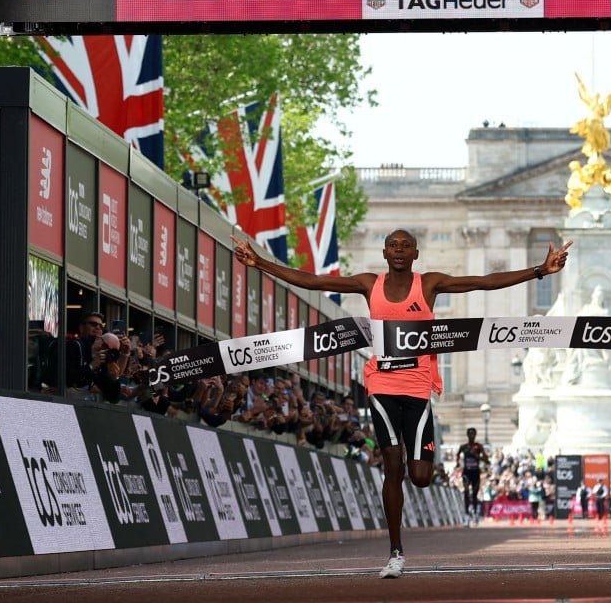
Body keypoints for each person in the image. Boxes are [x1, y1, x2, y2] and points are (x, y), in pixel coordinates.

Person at [233, 228, 571, 579]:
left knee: (420, 477)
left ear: (415, 254)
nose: (398, 250)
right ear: (384, 253)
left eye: (405, 246)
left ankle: (418, 464)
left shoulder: (429, 285)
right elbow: (314, 281)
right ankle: (395, 552)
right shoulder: (369, 284)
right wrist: (260, 263)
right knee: (392, 466)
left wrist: (539, 271)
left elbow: (483, 282)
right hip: (381, 384)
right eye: (392, 246)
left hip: (418, 387)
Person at [456, 426, 488, 527]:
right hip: (466, 472)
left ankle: (474, 514)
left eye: (473, 433)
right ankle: (466, 515)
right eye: (469, 433)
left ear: (475, 435)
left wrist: (477, 456)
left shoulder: (478, 447)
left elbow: (486, 460)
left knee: (474, 494)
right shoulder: (463, 447)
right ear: (467, 435)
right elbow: (457, 456)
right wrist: (457, 464)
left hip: (475, 472)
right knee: (466, 492)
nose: (471, 435)